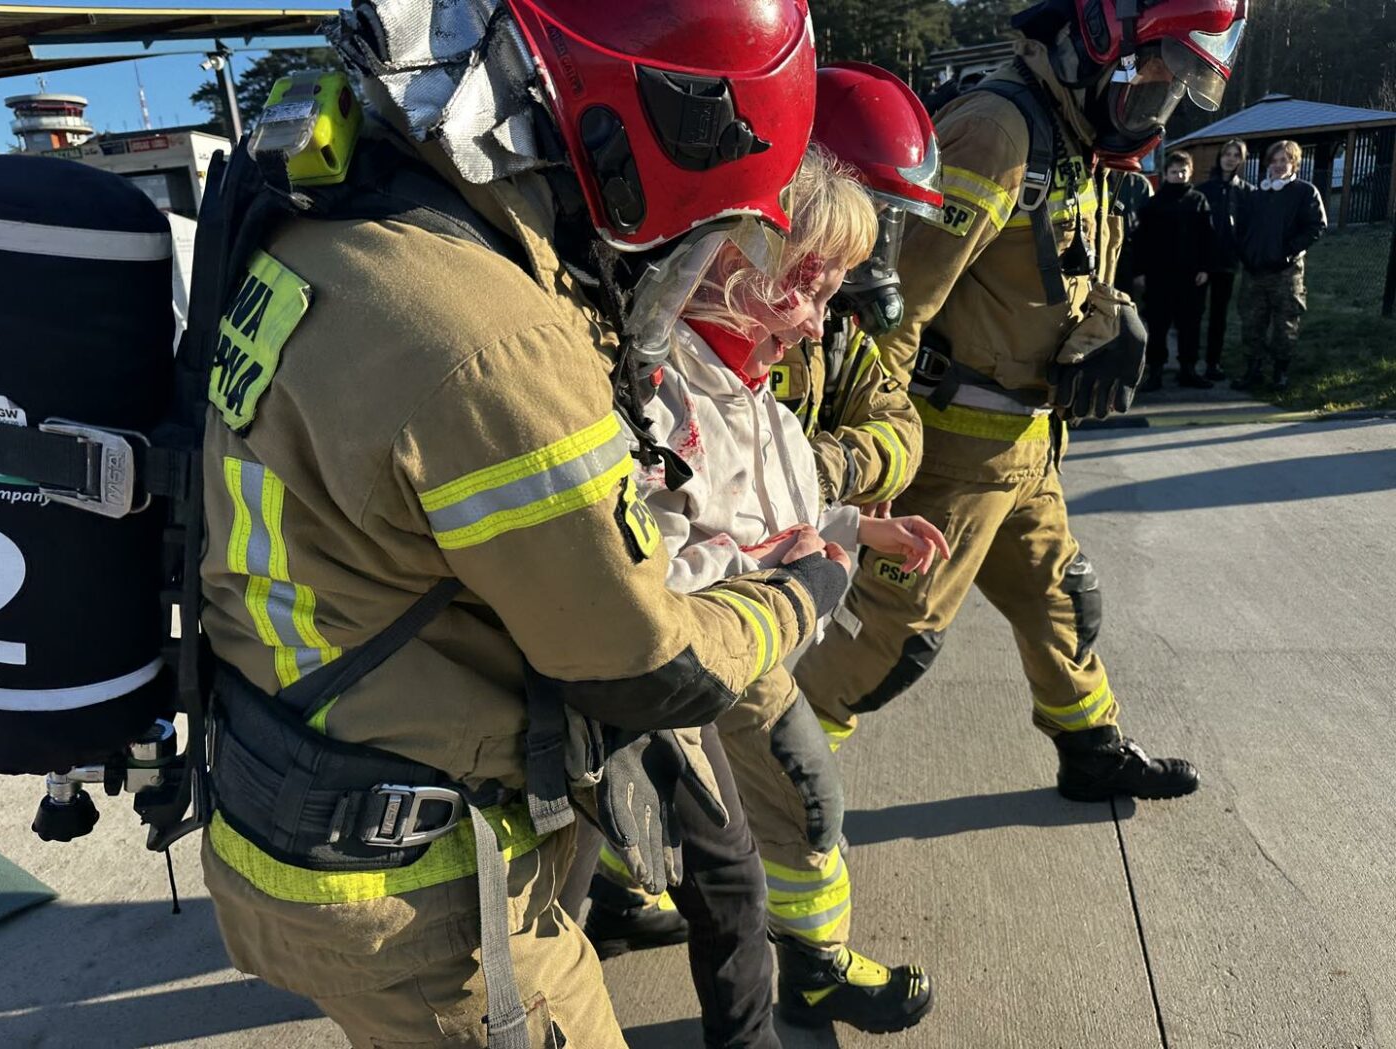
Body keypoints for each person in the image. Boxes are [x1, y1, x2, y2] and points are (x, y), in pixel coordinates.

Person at [194, 2, 852, 1047]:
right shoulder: (492, 339)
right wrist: (796, 596)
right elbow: (644, 664)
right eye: (694, 231)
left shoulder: (338, 231)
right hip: (427, 898)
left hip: (284, 803)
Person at [794, 0, 1251, 809]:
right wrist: (870, 459)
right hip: (951, 456)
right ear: (1105, 35)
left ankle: (1091, 747)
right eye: (1160, 66)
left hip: (1026, 443)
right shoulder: (999, 134)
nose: (1161, 93)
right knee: (886, 644)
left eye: (1182, 80)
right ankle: (757, 797)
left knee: (1061, 598)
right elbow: (896, 313)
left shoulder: (1077, 142)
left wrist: (1113, 318)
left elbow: (1060, 272)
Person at [570, 141, 947, 1039]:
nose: (820, 323)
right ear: (726, 264)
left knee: (725, 865)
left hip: (746, 643)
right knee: (772, 831)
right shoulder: (661, 405)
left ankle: (655, 922)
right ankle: (800, 980)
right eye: (807, 287)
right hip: (701, 664)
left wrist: (859, 529)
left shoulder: (747, 384)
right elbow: (640, 582)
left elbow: (779, 505)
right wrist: (777, 566)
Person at [1231, 139, 1327, 392]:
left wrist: (1288, 253)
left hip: (1286, 273)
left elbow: (1316, 227)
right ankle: (1253, 370)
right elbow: (1240, 229)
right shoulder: (1256, 195)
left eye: (1283, 160)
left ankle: (1280, 373)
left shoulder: (1305, 192)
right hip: (1254, 272)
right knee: (1252, 323)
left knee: (1285, 324)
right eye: (1274, 161)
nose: (1278, 165)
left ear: (1293, 163)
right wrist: (1246, 255)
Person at [1135, 149, 1215, 390]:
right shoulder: (1153, 204)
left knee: (1190, 325)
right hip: (1159, 276)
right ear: (1165, 173)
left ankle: (1188, 370)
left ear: (1189, 172)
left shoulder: (1198, 201)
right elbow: (1142, 241)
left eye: (1183, 171)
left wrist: (1205, 268)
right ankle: (1155, 372)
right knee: (1157, 326)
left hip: (1191, 276)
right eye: (1174, 171)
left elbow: (1208, 238)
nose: (1179, 175)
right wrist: (1140, 272)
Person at [1198, 138, 1254, 380]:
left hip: (1227, 263)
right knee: (1194, 313)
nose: (1230, 158)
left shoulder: (1246, 192)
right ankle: (1187, 363)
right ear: (1219, 157)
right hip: (1201, 262)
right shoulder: (1203, 190)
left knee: (1219, 316)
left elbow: (1248, 228)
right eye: (1227, 154)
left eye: (1235, 155)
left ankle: (1213, 363)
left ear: (1241, 160)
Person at [1108, 161, 1154, 295]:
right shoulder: (1098, 179)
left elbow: (1149, 222)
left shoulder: (1141, 183)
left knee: (1126, 295)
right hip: (1103, 245)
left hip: (1131, 248)